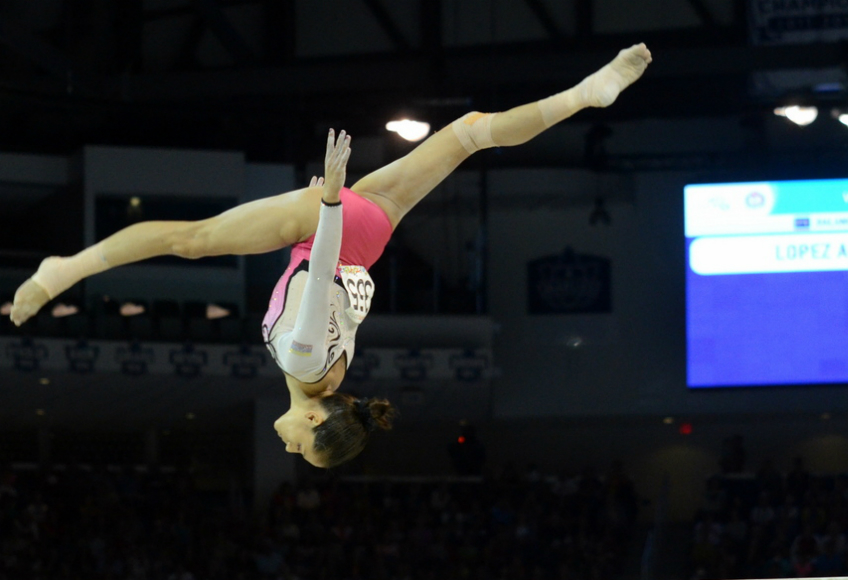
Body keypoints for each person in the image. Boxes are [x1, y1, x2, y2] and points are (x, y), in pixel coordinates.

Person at [8, 44, 653, 467]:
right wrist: (332, 200)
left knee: (468, 134)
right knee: (191, 239)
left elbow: (343, 294)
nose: (288, 448)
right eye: (303, 447)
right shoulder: (305, 360)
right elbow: (316, 282)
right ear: (316, 418)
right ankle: (64, 270)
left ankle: (584, 95)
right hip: (329, 234)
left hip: (367, 243)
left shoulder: (335, 379)